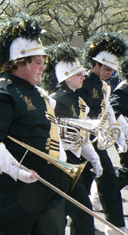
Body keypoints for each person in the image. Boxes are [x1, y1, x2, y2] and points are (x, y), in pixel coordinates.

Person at [0, 17, 70, 235]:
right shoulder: (1, 92)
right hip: (13, 190)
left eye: (44, 61)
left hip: (46, 188)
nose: (44, 67)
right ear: (18, 61)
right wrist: (18, 171)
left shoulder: (38, 93)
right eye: (38, 62)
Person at [42, 43, 103, 235]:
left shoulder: (78, 101)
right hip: (62, 161)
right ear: (67, 77)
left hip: (75, 160)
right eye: (79, 75)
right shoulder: (57, 100)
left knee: (66, 213)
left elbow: (82, 137)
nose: (84, 77)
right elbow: (55, 135)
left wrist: (94, 158)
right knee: (81, 212)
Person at [76, 32, 128, 235]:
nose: (110, 73)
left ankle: (115, 228)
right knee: (78, 191)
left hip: (98, 142)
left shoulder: (105, 86)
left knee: (109, 185)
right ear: (96, 63)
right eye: (107, 68)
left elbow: (109, 112)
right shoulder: (81, 82)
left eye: (113, 69)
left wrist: (121, 137)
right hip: (78, 143)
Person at [111, 57, 128, 190]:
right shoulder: (123, 89)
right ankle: (105, 194)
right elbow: (113, 111)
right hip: (126, 137)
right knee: (126, 172)